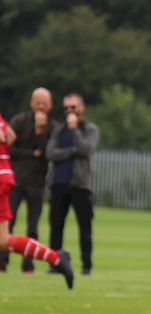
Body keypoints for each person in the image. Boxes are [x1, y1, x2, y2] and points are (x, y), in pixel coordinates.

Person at [0, 109, 74, 288]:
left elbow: (3, 136)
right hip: (5, 176)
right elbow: (9, 136)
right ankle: (57, 259)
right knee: (3, 240)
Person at [0, 88, 57, 273]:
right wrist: (31, 153)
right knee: (6, 231)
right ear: (31, 103)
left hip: (35, 181)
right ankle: (3, 264)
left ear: (50, 106)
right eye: (37, 102)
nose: (40, 106)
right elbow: (10, 142)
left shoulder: (52, 127)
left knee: (32, 226)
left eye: (44, 103)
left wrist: (40, 131)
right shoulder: (19, 120)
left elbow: (47, 153)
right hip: (13, 178)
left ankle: (28, 266)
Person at [46, 93, 99, 276]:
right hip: (59, 183)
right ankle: (55, 264)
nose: (69, 111)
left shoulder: (90, 129)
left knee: (85, 228)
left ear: (82, 108)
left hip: (80, 185)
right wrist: (72, 151)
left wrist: (74, 130)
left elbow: (85, 149)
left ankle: (86, 266)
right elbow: (50, 153)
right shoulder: (59, 131)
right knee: (56, 227)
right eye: (66, 108)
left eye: (73, 107)